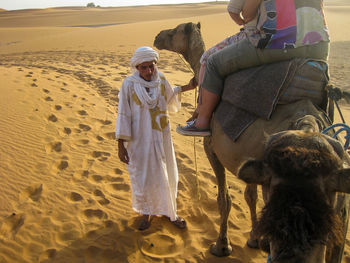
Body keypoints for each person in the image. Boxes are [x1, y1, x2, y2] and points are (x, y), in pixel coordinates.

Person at [177, 0, 330, 136]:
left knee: (212, 63)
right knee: (325, 83)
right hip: (319, 45)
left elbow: (247, 13)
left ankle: (202, 121)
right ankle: (331, 130)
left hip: (280, 41)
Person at [116, 46, 197, 230]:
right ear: (137, 67)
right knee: (145, 177)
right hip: (139, 141)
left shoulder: (160, 80)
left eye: (151, 66)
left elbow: (170, 95)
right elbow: (123, 114)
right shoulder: (129, 85)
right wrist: (121, 145)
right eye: (143, 67)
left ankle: (170, 212)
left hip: (161, 138)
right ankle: (147, 212)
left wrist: (189, 86)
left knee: (166, 173)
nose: (148, 71)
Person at [188, 0, 258, 122]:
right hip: (296, 41)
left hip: (255, 36)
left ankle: (201, 110)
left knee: (206, 58)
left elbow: (238, 12)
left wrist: (241, 21)